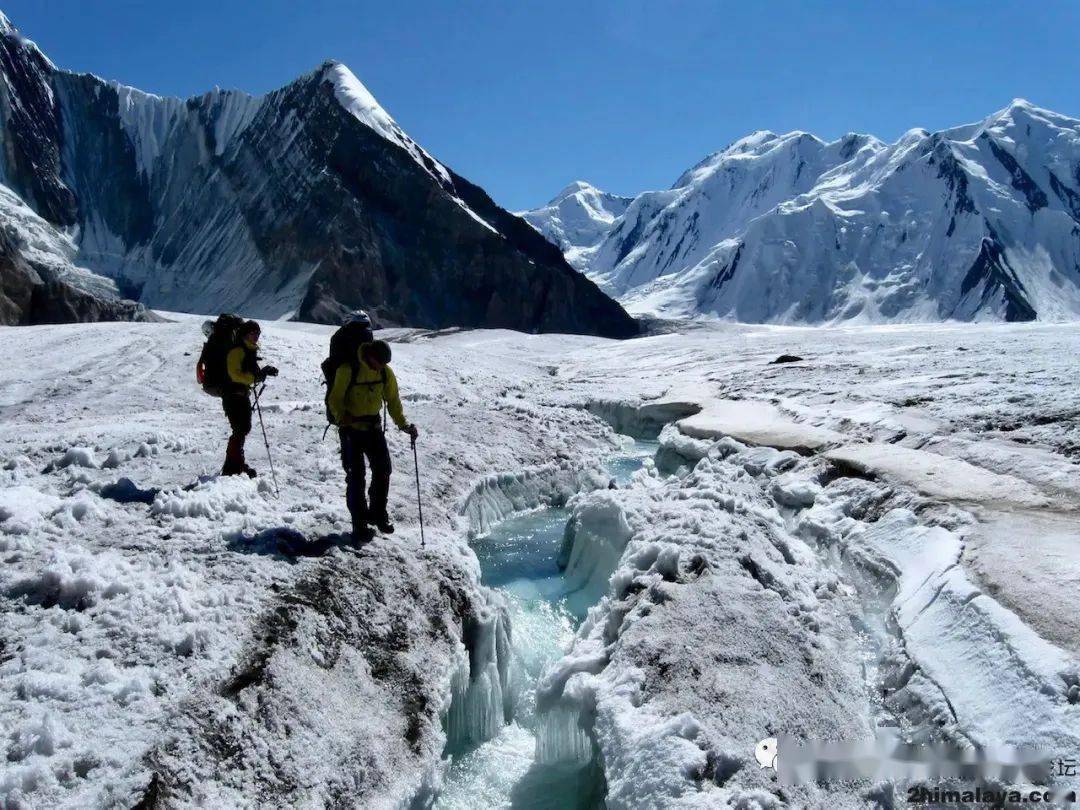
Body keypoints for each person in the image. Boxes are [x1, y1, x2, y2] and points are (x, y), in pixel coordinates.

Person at [327, 339, 418, 540]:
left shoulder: (385, 372)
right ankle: (359, 523)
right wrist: (342, 416)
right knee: (356, 476)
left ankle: (377, 514)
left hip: (373, 428)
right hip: (350, 430)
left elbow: (393, 400)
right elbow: (335, 399)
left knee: (383, 469)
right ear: (370, 356)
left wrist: (404, 425)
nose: (382, 367)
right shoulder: (348, 370)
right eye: (380, 362)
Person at [221, 320, 277, 477]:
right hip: (233, 395)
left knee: (242, 429)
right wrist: (255, 377)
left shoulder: (248, 350)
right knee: (240, 429)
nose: (256, 337)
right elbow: (235, 374)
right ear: (245, 334)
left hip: (241, 395)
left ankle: (235, 464)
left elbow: (249, 374)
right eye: (253, 333)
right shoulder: (238, 351)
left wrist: (263, 372)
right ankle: (233, 468)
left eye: (258, 334)